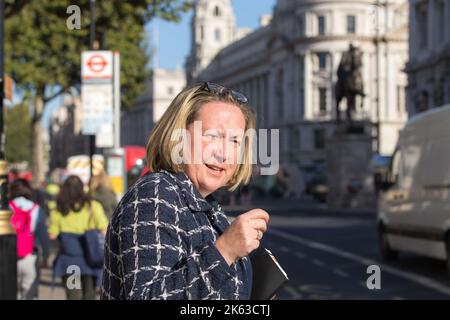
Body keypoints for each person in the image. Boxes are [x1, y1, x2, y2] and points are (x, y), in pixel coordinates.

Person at [102, 82, 270, 300]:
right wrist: (225, 250)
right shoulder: (154, 196)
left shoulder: (206, 206)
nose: (224, 153)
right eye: (212, 136)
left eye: (236, 140)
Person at [48, 175, 108, 300]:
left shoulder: (58, 209)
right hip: (90, 259)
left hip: (70, 261)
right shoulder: (93, 206)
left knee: (73, 294)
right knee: (89, 294)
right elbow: (104, 230)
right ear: (82, 188)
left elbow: (52, 235)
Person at [9, 178, 50, 300]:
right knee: (30, 293)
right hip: (31, 256)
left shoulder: (6, 208)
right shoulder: (36, 209)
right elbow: (43, 236)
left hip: (9, 257)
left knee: (11, 291)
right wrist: (46, 257)